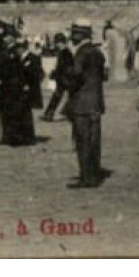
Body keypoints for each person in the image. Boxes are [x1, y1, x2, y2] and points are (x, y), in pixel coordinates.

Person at [62, 18, 107, 188]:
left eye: (74, 33)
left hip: (81, 103)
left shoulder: (82, 52)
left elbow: (76, 74)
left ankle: (86, 177)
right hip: (95, 102)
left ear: (80, 34)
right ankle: (94, 174)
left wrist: (62, 73)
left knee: (82, 140)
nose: (72, 36)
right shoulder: (97, 52)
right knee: (94, 140)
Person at [41, 33, 73, 122]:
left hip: (64, 78)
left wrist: (57, 74)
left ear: (61, 42)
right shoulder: (64, 52)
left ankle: (50, 114)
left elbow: (66, 67)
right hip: (62, 78)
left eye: (57, 43)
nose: (56, 45)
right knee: (58, 97)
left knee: (60, 96)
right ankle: (50, 113)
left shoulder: (66, 53)